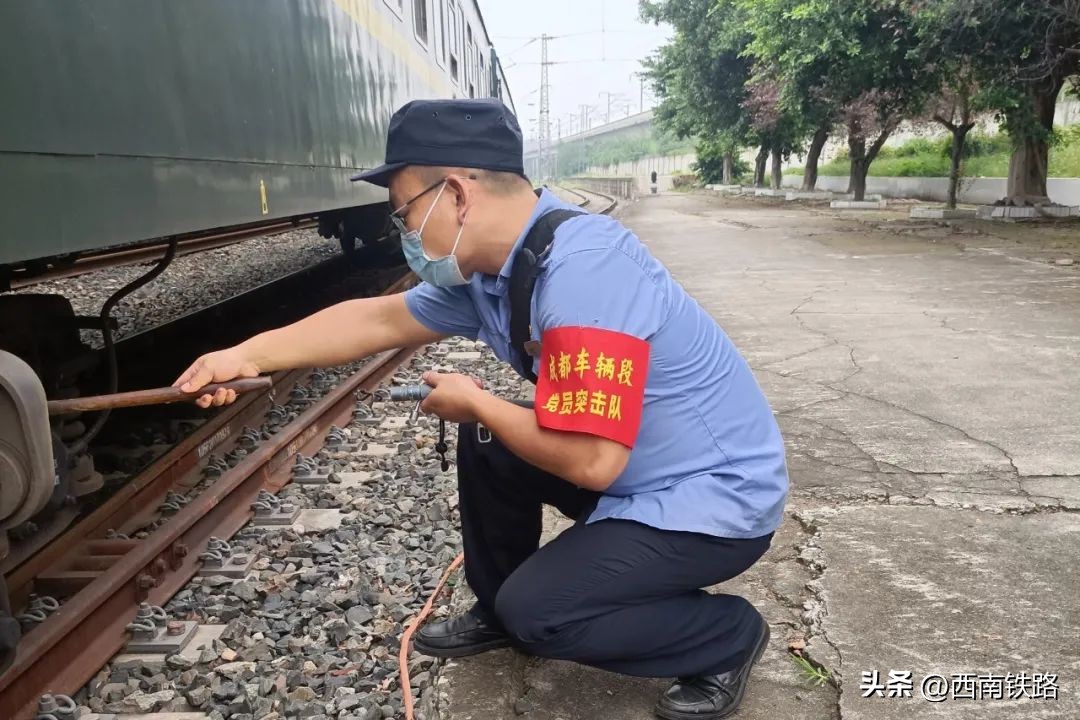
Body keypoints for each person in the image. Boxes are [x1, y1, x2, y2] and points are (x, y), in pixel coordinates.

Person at [173, 97, 789, 720]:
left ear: (458, 196)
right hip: (642, 470)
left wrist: (479, 402)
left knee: (541, 614)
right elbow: (380, 317)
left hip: (712, 502)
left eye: (405, 214)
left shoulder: (585, 273)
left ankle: (725, 639)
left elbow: (593, 460)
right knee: (489, 443)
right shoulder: (494, 272)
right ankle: (495, 607)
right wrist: (246, 355)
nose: (404, 236)